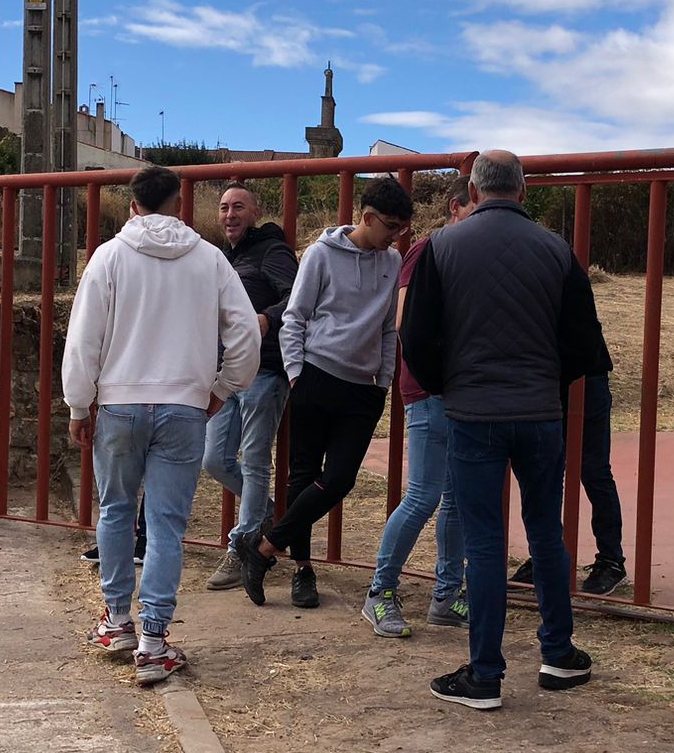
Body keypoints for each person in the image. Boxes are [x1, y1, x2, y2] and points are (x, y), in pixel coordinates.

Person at [401, 149, 604, 710]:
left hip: (472, 415)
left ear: (471, 188)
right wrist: (546, 381)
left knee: (485, 542)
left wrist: (452, 384)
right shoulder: (557, 250)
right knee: (545, 533)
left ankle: (485, 675)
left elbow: (414, 339)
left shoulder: (441, 247)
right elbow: (585, 344)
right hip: (540, 414)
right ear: (523, 188)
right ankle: (558, 654)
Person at [62, 164, 258, 685]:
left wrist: (80, 405)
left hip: (120, 403)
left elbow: (83, 339)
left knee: (116, 510)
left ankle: (117, 619)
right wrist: (221, 388)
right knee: (168, 524)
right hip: (185, 406)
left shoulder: (109, 257)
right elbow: (245, 332)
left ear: (132, 205)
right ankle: (153, 641)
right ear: (178, 204)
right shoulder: (209, 259)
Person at [235, 176, 413, 610]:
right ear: (367, 218)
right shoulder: (320, 254)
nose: (396, 236)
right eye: (390, 226)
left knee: (338, 479)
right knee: (301, 477)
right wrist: (297, 374)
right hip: (315, 376)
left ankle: (261, 549)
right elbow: (294, 317)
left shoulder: (391, 261)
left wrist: (384, 381)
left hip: (363, 389)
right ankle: (302, 570)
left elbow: (389, 326)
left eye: (402, 229)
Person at [364, 179, 474, 639]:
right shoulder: (429, 249)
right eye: (479, 207)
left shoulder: (470, 252)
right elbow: (406, 319)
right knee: (424, 495)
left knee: (453, 499)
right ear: (456, 207)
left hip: (460, 392)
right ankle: (379, 592)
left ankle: (447, 596)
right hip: (430, 391)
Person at [203, 182, 298, 591]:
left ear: (254, 212)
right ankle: (269, 514)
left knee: (257, 460)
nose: (229, 214)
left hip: (265, 370)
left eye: (238, 207)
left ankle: (240, 547)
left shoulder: (272, 251)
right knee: (214, 459)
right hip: (227, 372)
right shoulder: (223, 258)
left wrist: (268, 318)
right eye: (224, 207)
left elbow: (297, 295)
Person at [511, 342, 626, 595]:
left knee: (593, 470)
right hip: (544, 379)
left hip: (586, 377)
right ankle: (544, 555)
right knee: (543, 470)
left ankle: (610, 560)